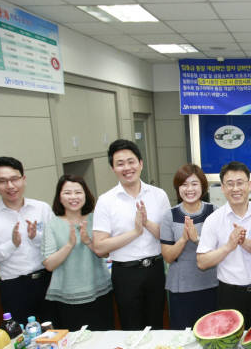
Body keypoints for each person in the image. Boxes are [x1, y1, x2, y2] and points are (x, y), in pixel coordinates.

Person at [92, 140, 170, 330]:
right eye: (120, 163)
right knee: (130, 327)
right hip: (125, 273)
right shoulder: (106, 201)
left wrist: (147, 224)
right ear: (113, 168)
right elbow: (99, 247)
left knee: (157, 325)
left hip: (155, 269)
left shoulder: (158, 195)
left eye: (131, 161)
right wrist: (135, 232)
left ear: (141, 163)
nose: (127, 168)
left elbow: (169, 237)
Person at [0, 157, 54, 325]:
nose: (10, 186)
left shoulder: (42, 208)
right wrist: (11, 245)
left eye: (14, 179)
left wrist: (36, 237)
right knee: (23, 339)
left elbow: (57, 243)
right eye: (2, 181)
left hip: (48, 280)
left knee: (58, 330)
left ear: (23, 179)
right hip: (14, 287)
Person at [196, 162, 251, 327]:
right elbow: (202, 262)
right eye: (230, 184)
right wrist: (228, 246)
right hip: (230, 295)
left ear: (249, 185)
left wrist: (245, 243)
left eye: (240, 182)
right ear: (222, 188)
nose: (235, 188)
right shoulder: (214, 220)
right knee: (230, 347)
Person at [41, 175, 113, 331]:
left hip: (100, 291)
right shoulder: (52, 224)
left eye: (78, 192)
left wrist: (88, 241)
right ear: (59, 197)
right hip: (68, 297)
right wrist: (69, 245)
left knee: (104, 341)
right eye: (67, 193)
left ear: (85, 195)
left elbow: (105, 253)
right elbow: (49, 265)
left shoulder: (96, 219)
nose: (73, 197)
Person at [160, 164, 218, 329]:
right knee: (183, 337)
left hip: (212, 284)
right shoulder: (169, 215)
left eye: (194, 184)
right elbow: (168, 257)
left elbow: (220, 250)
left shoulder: (214, 212)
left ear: (202, 186)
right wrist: (184, 239)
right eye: (184, 184)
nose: (189, 189)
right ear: (178, 188)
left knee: (212, 333)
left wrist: (197, 239)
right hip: (181, 288)